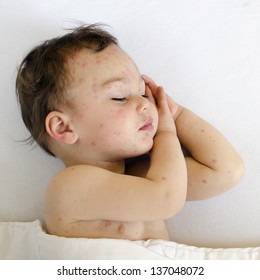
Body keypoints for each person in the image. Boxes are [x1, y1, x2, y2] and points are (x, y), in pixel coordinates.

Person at [16, 24, 244, 240]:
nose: (146, 104)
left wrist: (175, 113)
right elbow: (166, 198)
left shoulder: (143, 176)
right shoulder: (68, 187)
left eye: (143, 92)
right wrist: (166, 131)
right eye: (119, 97)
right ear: (63, 127)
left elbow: (225, 170)